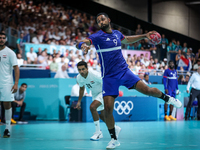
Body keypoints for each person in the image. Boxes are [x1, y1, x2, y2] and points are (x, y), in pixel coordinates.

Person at [76, 12, 182, 149]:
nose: (100, 21)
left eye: (102, 19)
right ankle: (114, 139)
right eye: (98, 20)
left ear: (109, 19)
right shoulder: (97, 36)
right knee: (108, 109)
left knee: (147, 90)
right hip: (109, 77)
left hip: (124, 71)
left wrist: (144, 35)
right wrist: (81, 45)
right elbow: (82, 42)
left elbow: (127, 39)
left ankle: (168, 98)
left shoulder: (116, 34)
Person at [75, 61, 121, 141]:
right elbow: (82, 89)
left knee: (92, 107)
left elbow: (105, 82)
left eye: (83, 69)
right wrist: (79, 102)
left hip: (103, 92)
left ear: (87, 69)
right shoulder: (79, 77)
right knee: (103, 116)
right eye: (79, 70)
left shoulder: (94, 74)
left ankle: (98, 132)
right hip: (95, 94)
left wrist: (110, 94)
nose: (81, 71)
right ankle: (115, 128)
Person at [0, 32, 19, 138]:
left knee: (7, 105)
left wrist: (16, 83)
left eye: (3, 38)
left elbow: (16, 68)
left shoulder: (10, 52)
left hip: (6, 83)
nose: (1, 39)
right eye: (0, 38)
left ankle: (7, 128)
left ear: (5, 40)